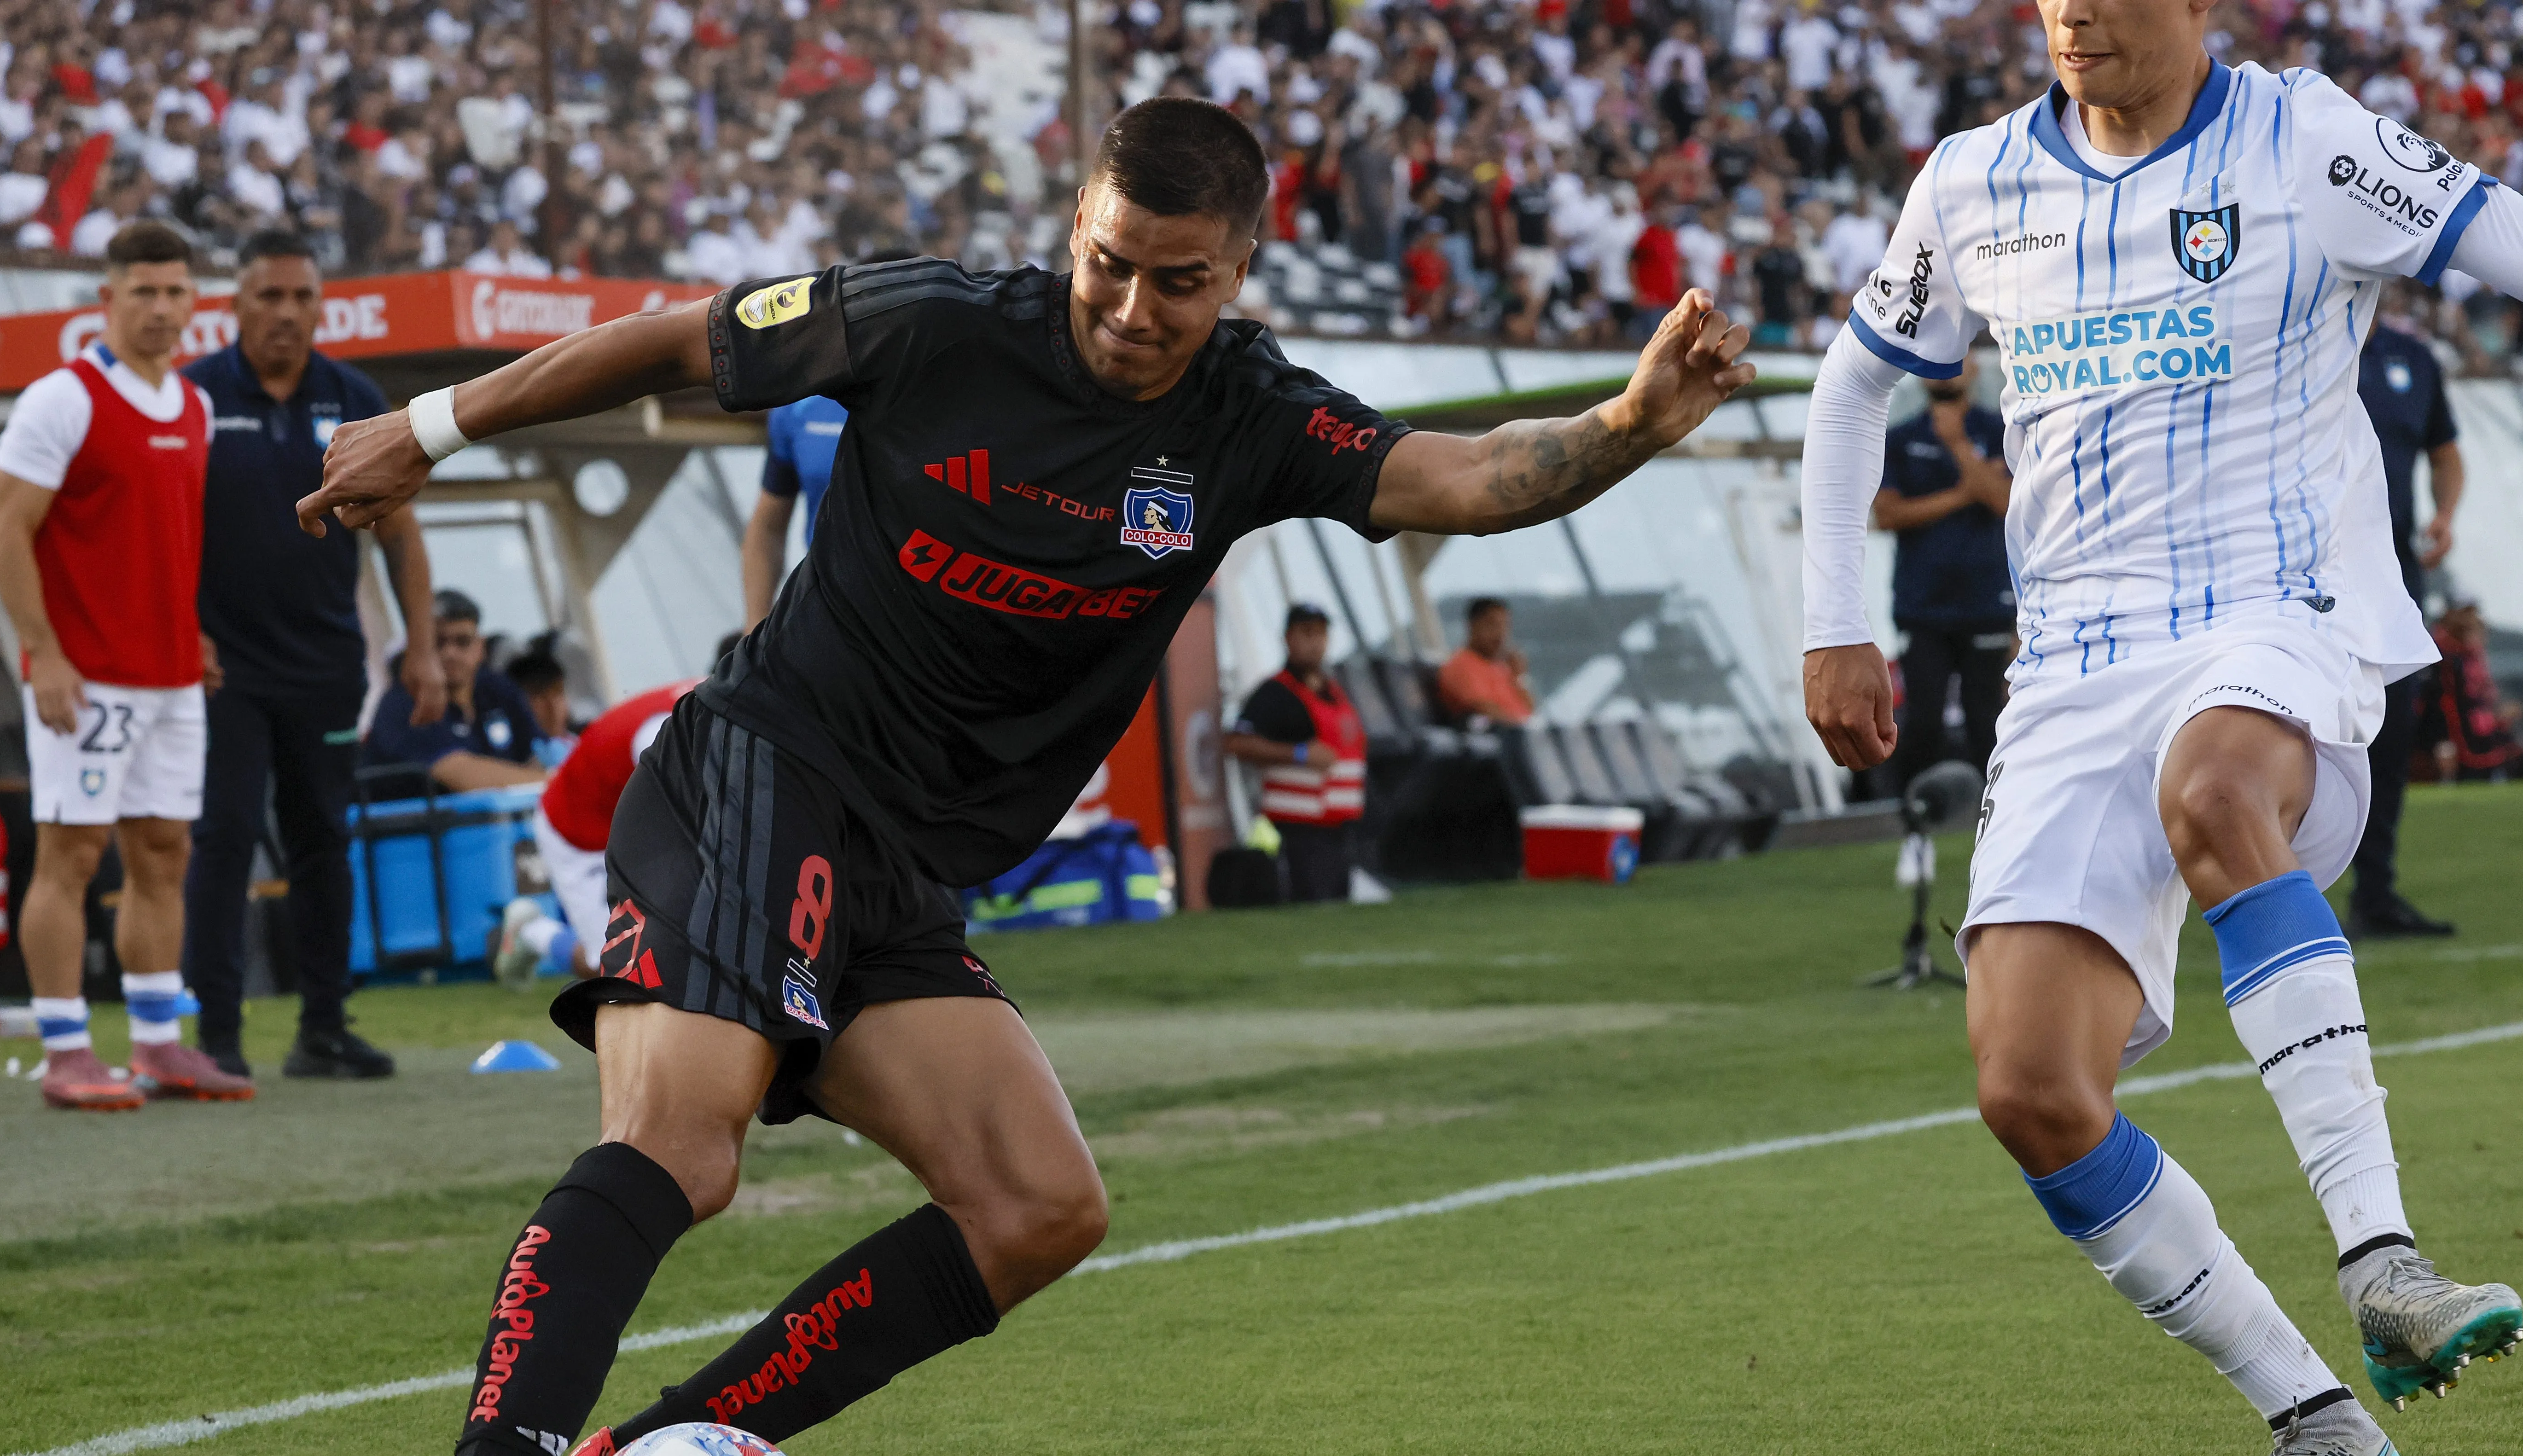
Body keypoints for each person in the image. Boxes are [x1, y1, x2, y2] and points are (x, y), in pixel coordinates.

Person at [296, 95, 1755, 1456]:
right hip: (767, 765)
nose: (1133, 308)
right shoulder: (930, 321)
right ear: (1075, 225)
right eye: (1110, 264)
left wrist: (1626, 427)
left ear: (1241, 269)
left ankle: (674, 1441)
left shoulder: (1248, 418)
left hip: (901, 865)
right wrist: (429, 430)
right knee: (684, 1141)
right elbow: (678, 340)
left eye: (1179, 281)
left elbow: (1459, 474)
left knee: (1038, 1206)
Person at [1799, 5, 2523, 1447]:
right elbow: (1851, 391)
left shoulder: (2311, 144)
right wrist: (1836, 619)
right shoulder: (1970, 182)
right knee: (2029, 1087)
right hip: (2073, 668)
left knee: (2214, 794)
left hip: (2273, 618)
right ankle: (2318, 1416)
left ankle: (2385, 1261)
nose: (2075, 10)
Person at [0, 221, 250, 1109]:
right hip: (83, 675)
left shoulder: (197, 406)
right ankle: (65, 1050)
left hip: (172, 673)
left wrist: (194, 630)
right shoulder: (61, 399)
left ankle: (159, 1045)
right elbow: (5, 528)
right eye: (144, 291)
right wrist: (45, 653)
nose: (163, 308)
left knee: (163, 851)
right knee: (71, 852)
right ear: (107, 299)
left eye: (177, 291)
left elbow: (169, 538)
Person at [181, 229, 431, 1082]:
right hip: (223, 671)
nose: (287, 313)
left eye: (301, 298)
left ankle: (323, 1027)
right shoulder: (194, 398)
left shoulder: (355, 398)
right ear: (235, 304)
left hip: (327, 667)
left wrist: (421, 649)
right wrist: (185, 630)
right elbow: (160, 534)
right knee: (224, 835)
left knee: (324, 836)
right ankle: (215, 1035)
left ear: (320, 306)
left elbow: (401, 536)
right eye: (269, 297)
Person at [494, 652, 722, 987]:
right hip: (578, 833)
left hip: (629, 821)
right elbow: (690, 823)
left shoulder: (713, 703)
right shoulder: (668, 732)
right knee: (611, 965)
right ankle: (531, 931)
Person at [2346, 317, 2462, 936]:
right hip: (2300, 574)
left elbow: (2444, 451)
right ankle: (2264, 895)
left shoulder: (2412, 357)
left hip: (2390, 579)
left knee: (2389, 740)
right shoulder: (2287, 329)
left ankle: (2374, 894)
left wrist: (2444, 513)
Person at [1873, 355, 2013, 787]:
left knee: (1988, 720)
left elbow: (2004, 502)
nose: (1949, 369)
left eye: (1960, 359)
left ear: (1974, 371)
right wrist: (1965, 491)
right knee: (1923, 718)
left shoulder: (1998, 430)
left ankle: (1996, 817)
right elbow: (1887, 514)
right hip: (1923, 604)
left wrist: (1955, 445)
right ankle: (1917, 815)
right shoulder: (1899, 439)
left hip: (1986, 602)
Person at [1225, 604, 1368, 900]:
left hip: (1340, 826)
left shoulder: (1333, 690)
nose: (1315, 643)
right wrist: (1299, 754)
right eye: (1307, 633)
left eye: (1321, 634)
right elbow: (1237, 743)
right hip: (1300, 829)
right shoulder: (1274, 694)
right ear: (1288, 638)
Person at [361, 590, 546, 797]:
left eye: (463, 641)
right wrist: (554, 783)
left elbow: (536, 756)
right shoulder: (402, 704)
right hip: (419, 827)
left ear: (480, 647)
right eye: (438, 643)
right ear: (418, 647)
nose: (451, 653)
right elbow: (462, 776)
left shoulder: (497, 689)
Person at [742, 395, 847, 627]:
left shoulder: (926, 394)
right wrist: (754, 630)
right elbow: (768, 527)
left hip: (915, 610)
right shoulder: (798, 407)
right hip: (828, 610)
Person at [2420, 597, 2521, 781]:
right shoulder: (2448, 663)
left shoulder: (2472, 660)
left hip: (2479, 727)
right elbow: (2446, 704)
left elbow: (2487, 694)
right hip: (2457, 733)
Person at [1437, 596, 1535, 726]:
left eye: (1505, 625)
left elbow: (1532, 712)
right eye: (1492, 624)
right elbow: (1491, 716)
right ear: (1472, 626)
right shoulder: (1462, 665)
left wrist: (1519, 677)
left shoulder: (1502, 667)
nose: (1500, 633)